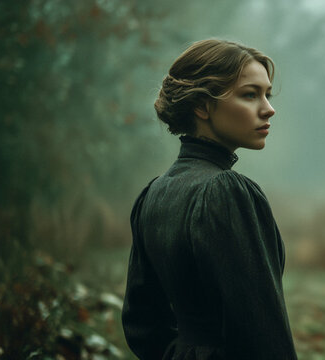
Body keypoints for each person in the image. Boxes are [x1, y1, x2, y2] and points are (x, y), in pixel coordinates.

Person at [122, 39, 297, 360]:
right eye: (250, 94)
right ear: (202, 106)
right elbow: (264, 329)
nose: (268, 108)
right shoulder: (227, 192)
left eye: (267, 95)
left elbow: (142, 326)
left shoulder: (154, 192)